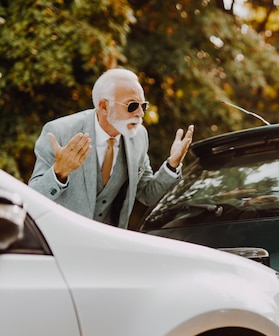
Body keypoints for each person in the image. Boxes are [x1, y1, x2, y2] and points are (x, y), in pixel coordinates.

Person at [28, 68, 193, 228]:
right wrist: (59, 172)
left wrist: (172, 164)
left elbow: (147, 194)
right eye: (132, 105)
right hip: (62, 240)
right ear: (104, 106)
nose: (140, 114)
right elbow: (31, 199)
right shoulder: (60, 132)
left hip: (108, 244)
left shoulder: (139, 137)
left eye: (143, 106)